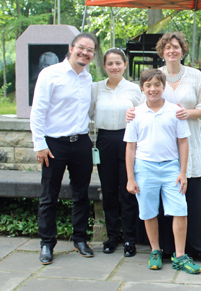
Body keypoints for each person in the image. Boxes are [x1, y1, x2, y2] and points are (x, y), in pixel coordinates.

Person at [127, 32, 201, 266]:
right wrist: (130, 113)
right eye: (167, 48)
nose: (172, 51)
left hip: (187, 142)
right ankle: (165, 248)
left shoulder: (194, 76)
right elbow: (142, 104)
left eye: (176, 47)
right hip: (158, 148)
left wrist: (188, 113)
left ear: (183, 50)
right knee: (161, 201)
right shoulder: (157, 76)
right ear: (161, 52)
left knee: (191, 199)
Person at [124, 69, 201, 274]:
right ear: (142, 88)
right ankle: (155, 250)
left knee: (180, 210)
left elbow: (183, 143)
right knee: (149, 211)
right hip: (144, 168)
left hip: (170, 168)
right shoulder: (135, 113)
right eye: (148, 85)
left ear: (163, 87)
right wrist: (130, 177)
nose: (153, 89)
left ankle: (180, 256)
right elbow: (130, 147)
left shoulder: (175, 112)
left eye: (157, 85)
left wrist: (183, 172)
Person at [30, 33, 97, 265]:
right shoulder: (50, 74)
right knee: (49, 196)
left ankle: (80, 239)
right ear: (71, 48)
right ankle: (47, 243)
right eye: (81, 48)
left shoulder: (88, 78)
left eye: (90, 50)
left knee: (81, 195)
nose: (85, 53)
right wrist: (39, 144)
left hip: (81, 143)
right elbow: (38, 111)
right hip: (53, 144)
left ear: (93, 54)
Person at [90, 48, 142, 257]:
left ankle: (130, 239)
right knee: (109, 192)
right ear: (104, 66)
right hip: (104, 141)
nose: (114, 67)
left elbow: (143, 114)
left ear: (125, 65)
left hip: (128, 141)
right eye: (110, 63)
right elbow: (86, 113)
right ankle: (112, 237)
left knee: (128, 190)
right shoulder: (95, 89)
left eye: (118, 63)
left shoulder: (133, 89)